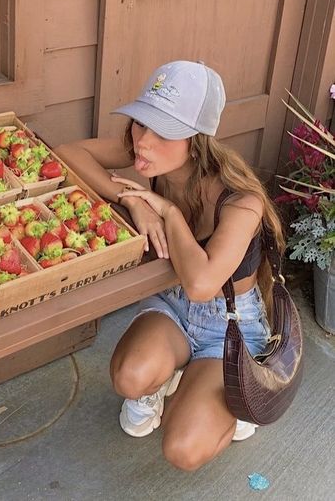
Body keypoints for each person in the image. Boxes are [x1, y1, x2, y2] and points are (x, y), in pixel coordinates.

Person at [54, 60, 285, 471]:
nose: (143, 141)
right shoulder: (149, 156)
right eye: (142, 123)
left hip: (229, 323)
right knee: (129, 376)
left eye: (164, 131)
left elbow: (201, 282)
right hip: (172, 304)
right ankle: (169, 383)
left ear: (196, 141)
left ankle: (230, 401)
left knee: (182, 449)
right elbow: (68, 154)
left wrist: (168, 214)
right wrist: (132, 200)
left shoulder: (241, 201)